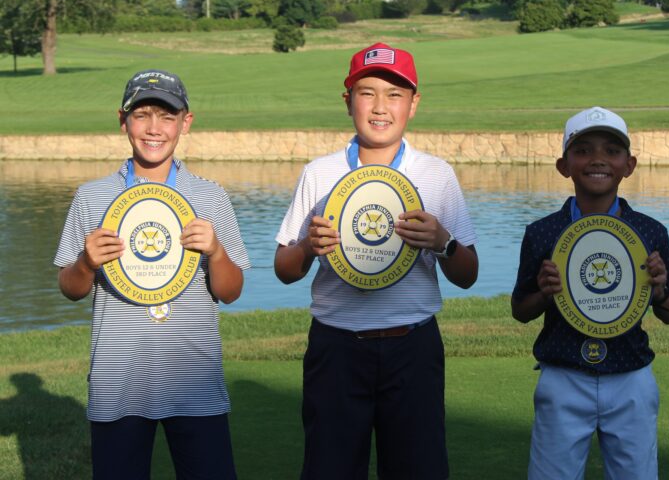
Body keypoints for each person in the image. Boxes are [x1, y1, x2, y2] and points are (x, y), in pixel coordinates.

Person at [274, 42, 479, 479]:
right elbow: (284, 269)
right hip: (337, 347)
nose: (380, 107)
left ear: (414, 104)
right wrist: (307, 247)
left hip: (413, 348)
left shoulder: (436, 174)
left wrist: (442, 242)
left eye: (394, 94)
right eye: (367, 93)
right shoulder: (319, 172)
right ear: (348, 101)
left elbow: (468, 275)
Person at [54, 69, 250, 479]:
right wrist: (85, 263)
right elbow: (70, 288)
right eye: (141, 115)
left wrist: (216, 252)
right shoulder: (91, 196)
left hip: (195, 378)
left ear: (186, 122)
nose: (154, 128)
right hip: (117, 379)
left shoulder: (210, 196)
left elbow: (231, 291)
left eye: (167, 116)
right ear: (122, 120)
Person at [511, 106, 669, 480]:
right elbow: (521, 309)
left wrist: (658, 291)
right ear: (564, 165)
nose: (598, 159)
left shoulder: (650, 231)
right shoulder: (542, 232)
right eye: (583, 150)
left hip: (630, 375)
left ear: (629, 165)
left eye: (612, 151)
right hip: (563, 375)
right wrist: (544, 293)